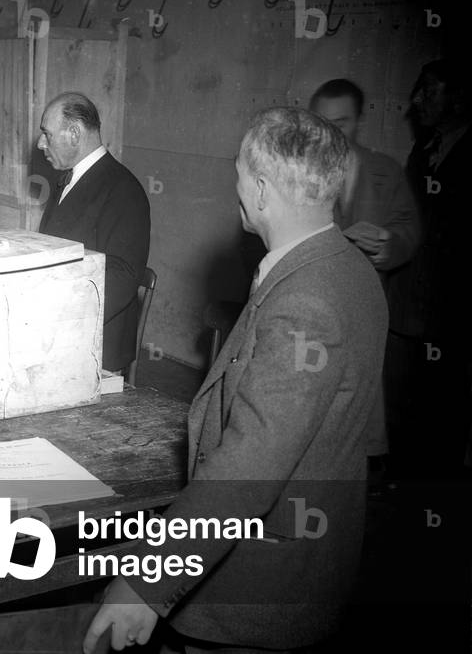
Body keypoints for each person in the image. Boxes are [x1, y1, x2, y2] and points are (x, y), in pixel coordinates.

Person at [83, 107, 387, 653]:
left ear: (264, 190)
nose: (237, 187)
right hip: (310, 565)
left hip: (259, 588)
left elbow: (253, 464)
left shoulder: (305, 301)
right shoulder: (348, 268)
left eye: (241, 174)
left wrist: (148, 581)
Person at [309, 78, 420, 460]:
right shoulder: (301, 172)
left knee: (361, 402)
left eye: (341, 122)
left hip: (364, 304)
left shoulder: (385, 171)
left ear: (358, 121)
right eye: (322, 121)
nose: (330, 131)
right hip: (316, 305)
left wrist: (390, 244)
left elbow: (409, 229)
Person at [389, 60, 472, 480]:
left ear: (459, 97)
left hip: (451, 310)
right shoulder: (423, 150)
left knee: (442, 408)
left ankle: (431, 497)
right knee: (400, 397)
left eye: (429, 90)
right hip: (408, 303)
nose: (415, 100)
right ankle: (396, 481)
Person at [36, 92, 150, 375]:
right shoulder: (68, 179)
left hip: (94, 344)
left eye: (47, 135)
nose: (40, 144)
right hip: (59, 329)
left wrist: (54, 318)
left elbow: (121, 277)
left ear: (74, 133)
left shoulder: (123, 189)